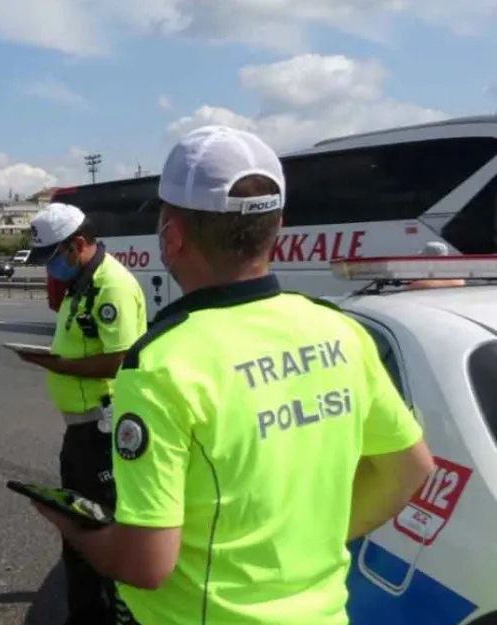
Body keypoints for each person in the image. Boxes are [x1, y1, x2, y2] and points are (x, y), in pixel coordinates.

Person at [30, 125, 436, 625]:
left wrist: (74, 528)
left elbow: (146, 564)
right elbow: (412, 469)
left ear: (172, 236)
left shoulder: (163, 364)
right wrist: (304, 542)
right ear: (278, 226)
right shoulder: (341, 331)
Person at [14, 202, 148, 625]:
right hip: (84, 429)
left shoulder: (111, 286)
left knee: (98, 531)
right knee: (78, 531)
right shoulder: (83, 283)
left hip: (104, 431)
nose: (49, 269)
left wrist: (56, 365)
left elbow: (122, 358)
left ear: (77, 245)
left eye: (53, 259)